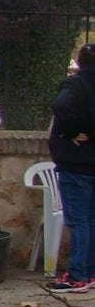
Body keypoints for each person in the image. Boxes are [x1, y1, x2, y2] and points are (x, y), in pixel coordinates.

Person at [47, 43, 95, 292]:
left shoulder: (76, 85)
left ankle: (77, 275)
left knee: (79, 221)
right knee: (91, 219)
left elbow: (61, 106)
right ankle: (90, 271)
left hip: (77, 163)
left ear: (79, 61)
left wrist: (72, 131)